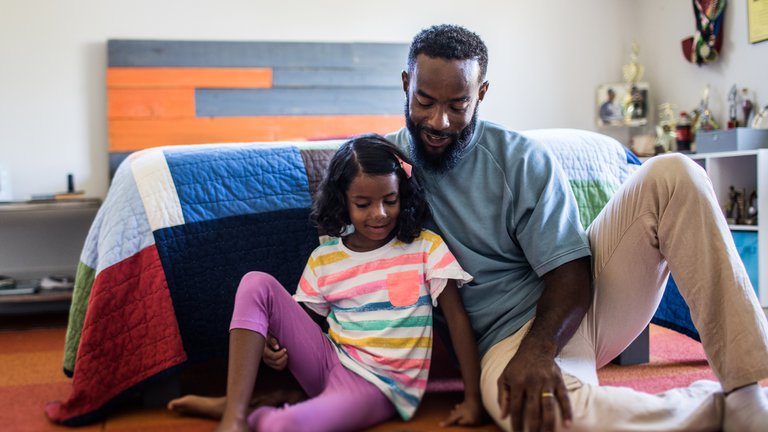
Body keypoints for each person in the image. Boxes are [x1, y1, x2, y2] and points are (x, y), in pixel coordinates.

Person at [383, 24, 768, 432]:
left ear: (481, 94)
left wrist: (540, 351)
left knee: (675, 172)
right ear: (406, 84)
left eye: (458, 106)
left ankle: (745, 389)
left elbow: (570, 272)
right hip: (501, 339)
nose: (439, 121)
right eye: (424, 101)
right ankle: (713, 408)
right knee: (546, 418)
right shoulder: (383, 167)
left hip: (584, 302)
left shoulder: (520, 158)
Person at [167, 134, 486, 431]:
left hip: (379, 386)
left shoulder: (425, 247)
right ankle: (234, 415)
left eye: (390, 200)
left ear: (402, 195)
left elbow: (457, 320)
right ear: (343, 201)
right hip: (327, 362)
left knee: (281, 426)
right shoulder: (326, 256)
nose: (379, 214)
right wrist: (269, 343)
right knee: (255, 283)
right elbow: (296, 324)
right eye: (363, 204)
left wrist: (473, 399)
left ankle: (257, 409)